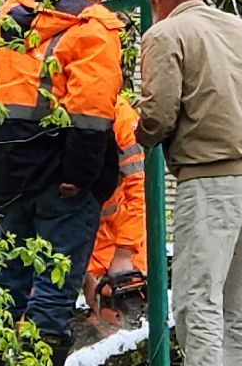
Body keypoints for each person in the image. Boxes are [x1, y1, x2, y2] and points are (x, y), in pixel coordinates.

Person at [0, 0, 126, 366]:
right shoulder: (92, 27)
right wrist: (80, 177)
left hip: (12, 174)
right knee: (53, 296)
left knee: (6, 285)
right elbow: (92, 113)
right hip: (64, 183)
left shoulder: (10, 19)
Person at [134, 0, 242, 366]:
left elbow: (159, 114)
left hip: (210, 180)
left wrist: (135, 136)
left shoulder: (165, 34)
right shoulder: (240, 29)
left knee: (198, 300)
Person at [83, 94, 147, 332]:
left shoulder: (121, 117)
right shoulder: (56, 105)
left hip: (118, 229)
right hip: (82, 231)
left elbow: (138, 188)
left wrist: (124, 252)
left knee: (127, 291)